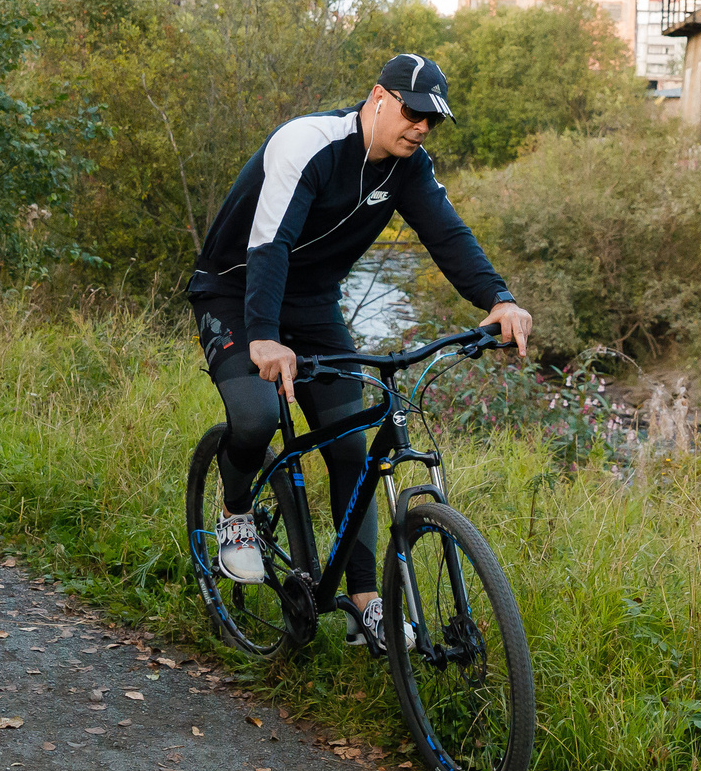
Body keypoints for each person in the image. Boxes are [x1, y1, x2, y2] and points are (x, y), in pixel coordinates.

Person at [187, 53, 532, 648]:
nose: (422, 127)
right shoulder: (310, 142)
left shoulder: (409, 167)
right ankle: (236, 513)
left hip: (314, 304)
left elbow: (447, 235)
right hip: (236, 287)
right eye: (413, 111)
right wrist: (264, 335)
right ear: (377, 97)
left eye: (433, 120)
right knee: (257, 415)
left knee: (352, 445)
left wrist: (498, 298)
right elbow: (270, 242)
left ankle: (365, 604)